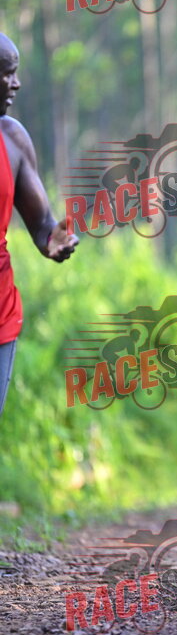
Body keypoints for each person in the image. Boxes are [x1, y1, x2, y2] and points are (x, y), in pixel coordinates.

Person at [0, 33, 78, 415]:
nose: (16, 83)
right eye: (7, 73)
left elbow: (42, 222)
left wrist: (53, 239)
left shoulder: (12, 139)